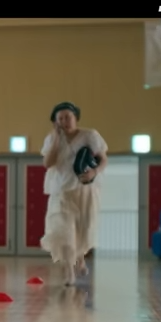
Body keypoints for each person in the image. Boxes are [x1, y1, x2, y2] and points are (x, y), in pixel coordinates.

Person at [39, 102, 108, 285]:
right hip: (62, 191)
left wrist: (94, 172)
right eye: (60, 118)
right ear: (55, 122)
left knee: (83, 230)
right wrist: (56, 138)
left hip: (86, 190)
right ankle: (69, 271)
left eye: (68, 117)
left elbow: (103, 159)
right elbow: (48, 163)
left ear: (75, 117)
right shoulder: (52, 138)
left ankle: (80, 257)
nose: (64, 121)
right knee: (64, 231)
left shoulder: (90, 135)